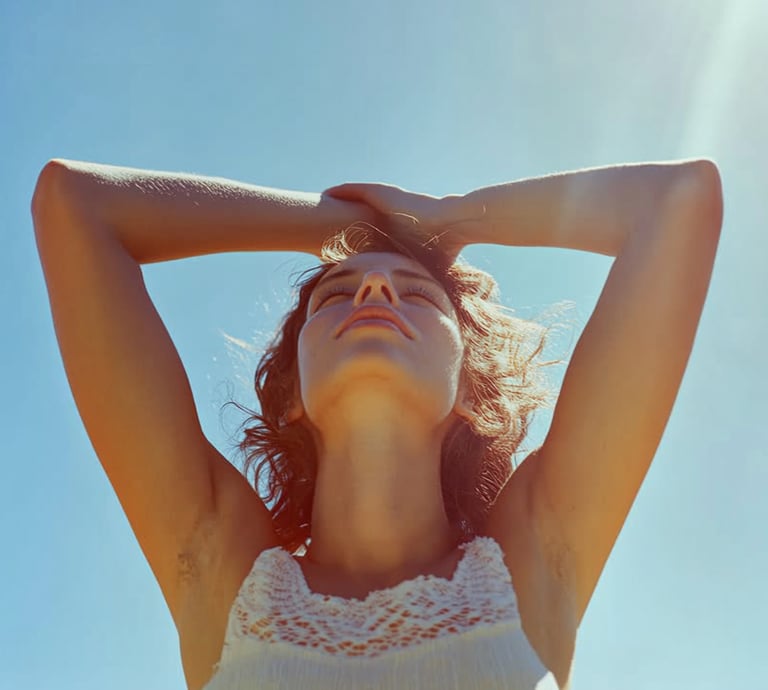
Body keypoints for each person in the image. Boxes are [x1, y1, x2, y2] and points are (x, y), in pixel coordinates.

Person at [31, 157, 723, 690]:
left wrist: (452, 217)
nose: (373, 287)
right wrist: (342, 227)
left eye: (417, 293)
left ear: (469, 389)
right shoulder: (229, 578)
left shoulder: (530, 559)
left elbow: (679, 199)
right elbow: (73, 202)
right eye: (336, 294)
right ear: (292, 394)